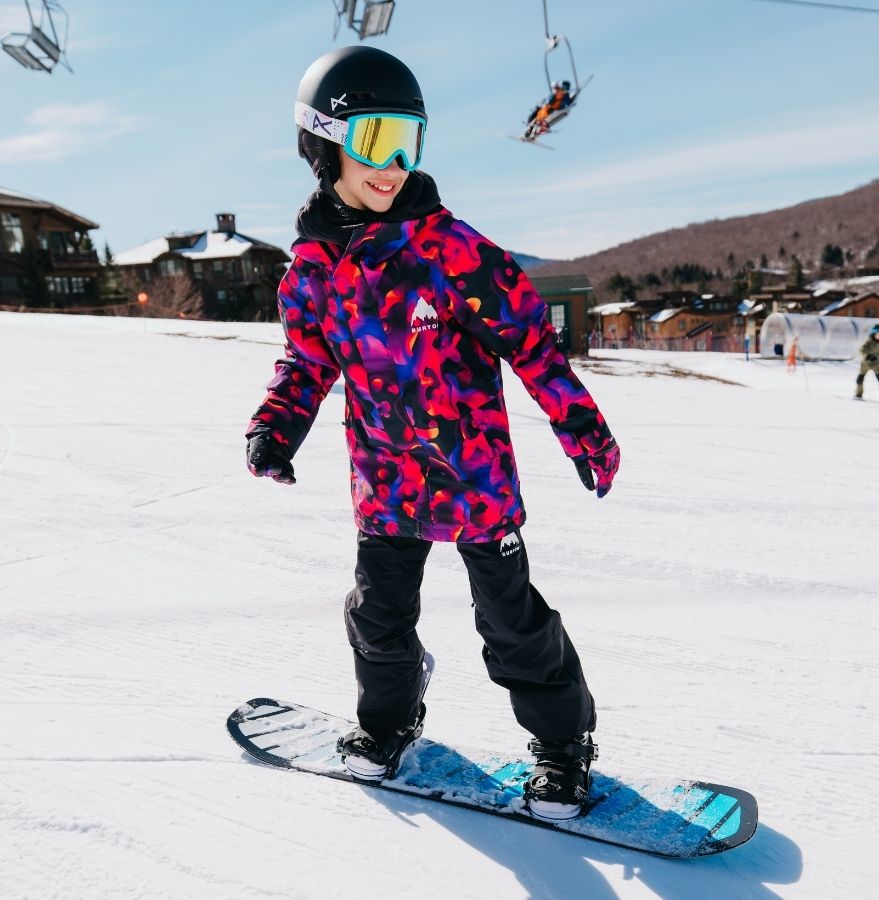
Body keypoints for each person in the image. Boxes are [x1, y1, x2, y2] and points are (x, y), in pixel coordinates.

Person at [245, 46, 620, 822]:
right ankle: (387, 724)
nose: (393, 165)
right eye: (375, 141)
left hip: (474, 477)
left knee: (511, 624)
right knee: (378, 620)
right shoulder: (310, 273)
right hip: (383, 480)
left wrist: (582, 429)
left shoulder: (452, 249)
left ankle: (560, 747)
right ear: (323, 144)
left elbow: (533, 345)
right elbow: (306, 362)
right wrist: (277, 427)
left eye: (409, 142)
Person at [855, 323, 879, 402]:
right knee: (859, 379)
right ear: (874, 333)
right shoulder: (869, 341)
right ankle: (858, 394)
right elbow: (862, 349)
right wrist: (867, 356)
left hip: (876, 365)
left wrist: (877, 357)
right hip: (865, 364)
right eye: (878, 333)